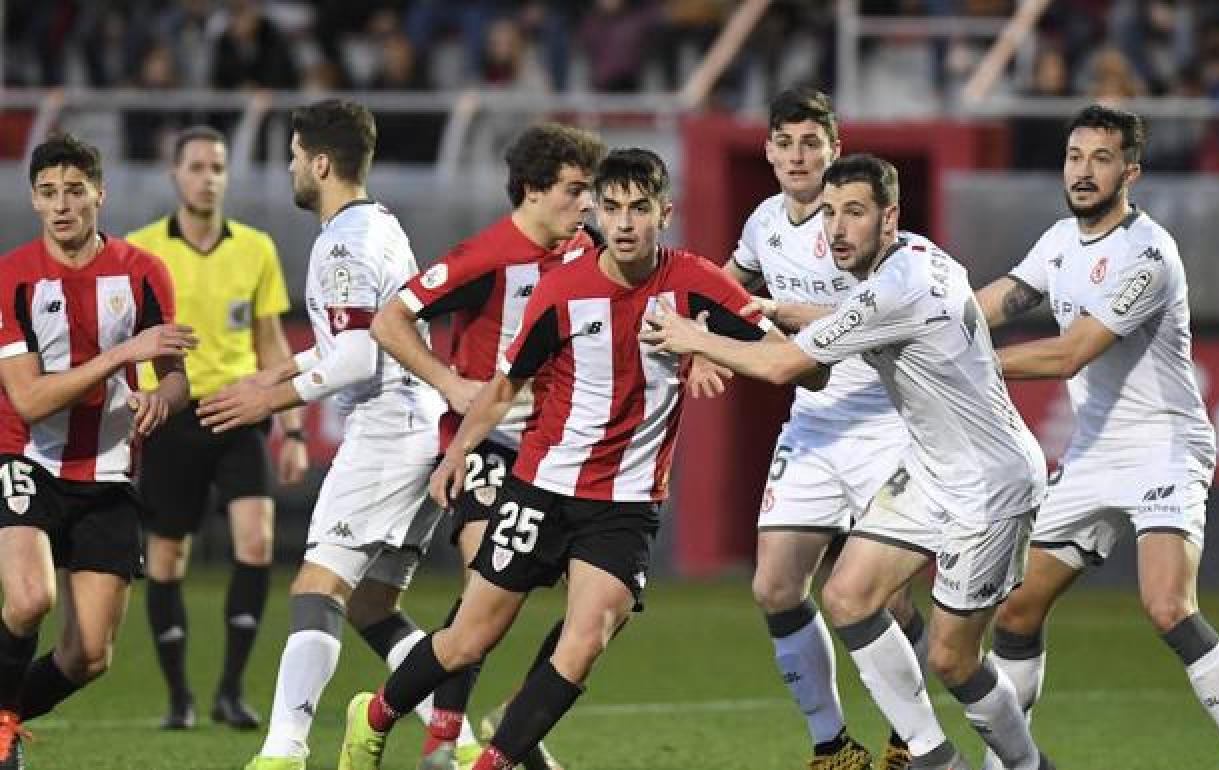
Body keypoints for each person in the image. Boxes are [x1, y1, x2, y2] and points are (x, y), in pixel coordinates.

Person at [337, 147, 783, 770]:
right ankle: (375, 712)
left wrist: (706, 344)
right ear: (599, 210)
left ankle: (490, 763)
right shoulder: (562, 290)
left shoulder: (696, 283)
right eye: (613, 207)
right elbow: (503, 388)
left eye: (640, 208)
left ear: (666, 212)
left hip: (626, 504)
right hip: (542, 486)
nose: (625, 223)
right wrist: (455, 455)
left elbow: (789, 360)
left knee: (586, 640)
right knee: (469, 639)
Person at [640, 154, 1054, 770]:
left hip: (988, 485)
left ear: (889, 218)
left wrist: (694, 337)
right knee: (850, 595)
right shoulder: (918, 258)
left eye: (854, 213)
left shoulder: (896, 288)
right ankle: (934, 758)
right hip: (933, 469)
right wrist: (776, 309)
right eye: (829, 213)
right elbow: (846, 319)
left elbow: (792, 368)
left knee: (952, 657)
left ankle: (1029, 767)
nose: (836, 228)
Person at [975, 104, 1219, 770]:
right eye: (1075, 157)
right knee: (1015, 611)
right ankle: (1010, 764)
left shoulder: (1147, 255)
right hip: (1093, 452)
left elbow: (1072, 353)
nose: (1084, 171)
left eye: (1101, 159)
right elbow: (985, 307)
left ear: (1131, 171)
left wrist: (963, 364)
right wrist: (913, 329)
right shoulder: (1058, 242)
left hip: (1166, 444)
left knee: (1166, 605)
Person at [195, 99, 448, 770]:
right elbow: (346, 342)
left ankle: (282, 753)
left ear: (321, 162)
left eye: (294, 157)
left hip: (386, 434)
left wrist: (271, 401)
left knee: (316, 588)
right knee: (371, 604)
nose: (289, 169)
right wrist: (270, 376)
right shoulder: (379, 228)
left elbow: (359, 358)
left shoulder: (342, 243)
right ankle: (456, 736)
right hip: (416, 430)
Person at [370, 121, 606, 770]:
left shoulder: (592, 251)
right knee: (486, 583)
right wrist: (449, 381)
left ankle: (512, 718)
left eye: (590, 192)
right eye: (575, 190)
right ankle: (440, 740)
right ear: (532, 190)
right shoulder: (483, 258)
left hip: (565, 450)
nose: (586, 205)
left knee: (601, 604)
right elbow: (390, 320)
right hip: (491, 442)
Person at [719, 87, 927, 770]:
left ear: (835, 149)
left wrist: (758, 315)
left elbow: (857, 315)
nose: (799, 155)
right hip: (813, 424)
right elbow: (728, 288)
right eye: (786, 142)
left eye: (813, 142)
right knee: (775, 587)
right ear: (769, 150)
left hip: (889, 421)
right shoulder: (762, 223)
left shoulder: (861, 222)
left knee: (884, 598)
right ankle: (833, 747)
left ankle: (914, 732)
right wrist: (693, 331)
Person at [0, 134, 195, 769]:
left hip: (109, 472)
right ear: (33, 200)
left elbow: (173, 375)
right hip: (25, 455)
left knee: (89, 657)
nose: (62, 206)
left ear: (98, 194)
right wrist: (118, 358)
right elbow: (28, 402)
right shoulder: (13, 278)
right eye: (49, 193)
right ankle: (3, 736)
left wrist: (163, 399)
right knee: (30, 600)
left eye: (74, 191)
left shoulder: (144, 273)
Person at [126, 125, 308, 731]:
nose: (208, 176)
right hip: (173, 417)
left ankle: (230, 690)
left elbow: (271, 341)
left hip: (237, 412)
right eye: (197, 166)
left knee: (254, 542)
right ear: (175, 174)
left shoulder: (255, 248)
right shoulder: (143, 251)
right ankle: (179, 697)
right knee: (168, 556)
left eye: (217, 166)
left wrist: (294, 429)